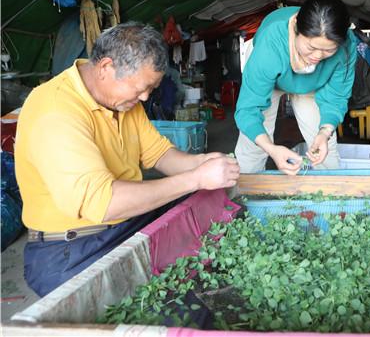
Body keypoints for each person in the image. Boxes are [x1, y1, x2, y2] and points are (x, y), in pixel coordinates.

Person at [15, 22, 240, 296]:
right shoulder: (55, 110)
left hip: (126, 223)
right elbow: (105, 203)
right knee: (149, 313)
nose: (145, 97)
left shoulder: (123, 100)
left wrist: (203, 163)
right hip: (70, 248)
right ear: (106, 68)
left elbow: (159, 153)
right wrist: (195, 179)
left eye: (151, 88)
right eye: (141, 88)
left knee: (201, 222)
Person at [234, 0, 358, 175]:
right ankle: (246, 194)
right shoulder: (271, 46)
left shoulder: (346, 48)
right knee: (254, 144)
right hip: (273, 76)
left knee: (324, 146)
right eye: (311, 47)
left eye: (328, 50)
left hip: (312, 84)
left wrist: (325, 132)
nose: (317, 56)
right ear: (296, 31)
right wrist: (271, 149)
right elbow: (249, 109)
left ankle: (330, 196)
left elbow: (336, 97)